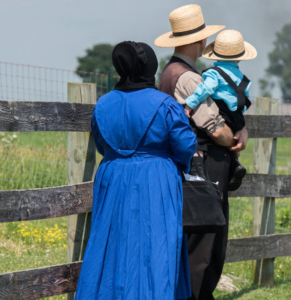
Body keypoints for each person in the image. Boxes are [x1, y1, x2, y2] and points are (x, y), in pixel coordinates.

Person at [74, 41, 197, 299]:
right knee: (156, 244)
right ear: (149, 67)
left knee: (112, 243)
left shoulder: (103, 104)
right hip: (156, 179)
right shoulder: (165, 104)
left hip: (114, 177)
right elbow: (185, 146)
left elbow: (101, 144)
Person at [155, 4, 249, 300]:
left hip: (188, 159)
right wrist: (236, 137)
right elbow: (215, 128)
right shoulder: (190, 78)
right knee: (208, 237)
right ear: (196, 42)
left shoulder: (169, 72)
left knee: (194, 234)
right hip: (206, 160)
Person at [183, 29, 257, 191]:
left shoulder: (213, 74)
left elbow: (204, 90)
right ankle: (235, 162)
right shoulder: (242, 76)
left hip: (222, 113)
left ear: (215, 54)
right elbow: (244, 100)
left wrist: (189, 104)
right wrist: (239, 122)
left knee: (204, 134)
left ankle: (226, 164)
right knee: (234, 143)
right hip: (238, 117)